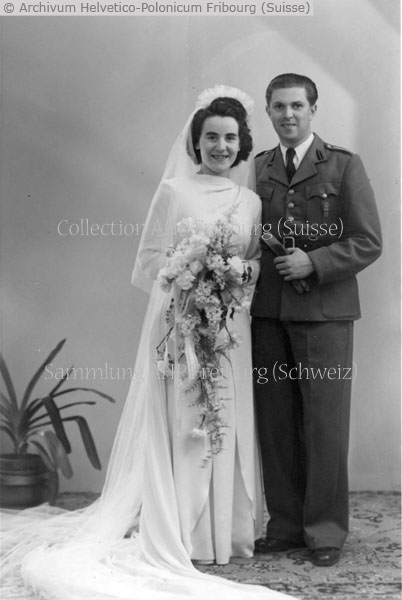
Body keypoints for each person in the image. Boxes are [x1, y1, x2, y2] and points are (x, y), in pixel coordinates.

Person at [1, 86, 295, 600]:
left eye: (230, 138)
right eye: (211, 137)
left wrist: (234, 274)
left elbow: (254, 263)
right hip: (180, 325)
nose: (221, 147)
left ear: (242, 144)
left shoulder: (250, 201)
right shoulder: (174, 192)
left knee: (227, 418)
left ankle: (226, 535)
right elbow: (148, 262)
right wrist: (189, 276)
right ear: (196, 142)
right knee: (187, 422)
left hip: (230, 329)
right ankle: (184, 533)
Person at [251, 73, 382, 567]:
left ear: (313, 110)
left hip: (325, 315)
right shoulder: (258, 167)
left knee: (324, 425)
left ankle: (325, 531)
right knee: (276, 423)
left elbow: (368, 240)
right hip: (268, 313)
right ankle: (285, 525)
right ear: (268, 111)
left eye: (297, 106)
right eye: (279, 107)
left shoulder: (344, 165)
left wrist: (316, 261)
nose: (288, 115)